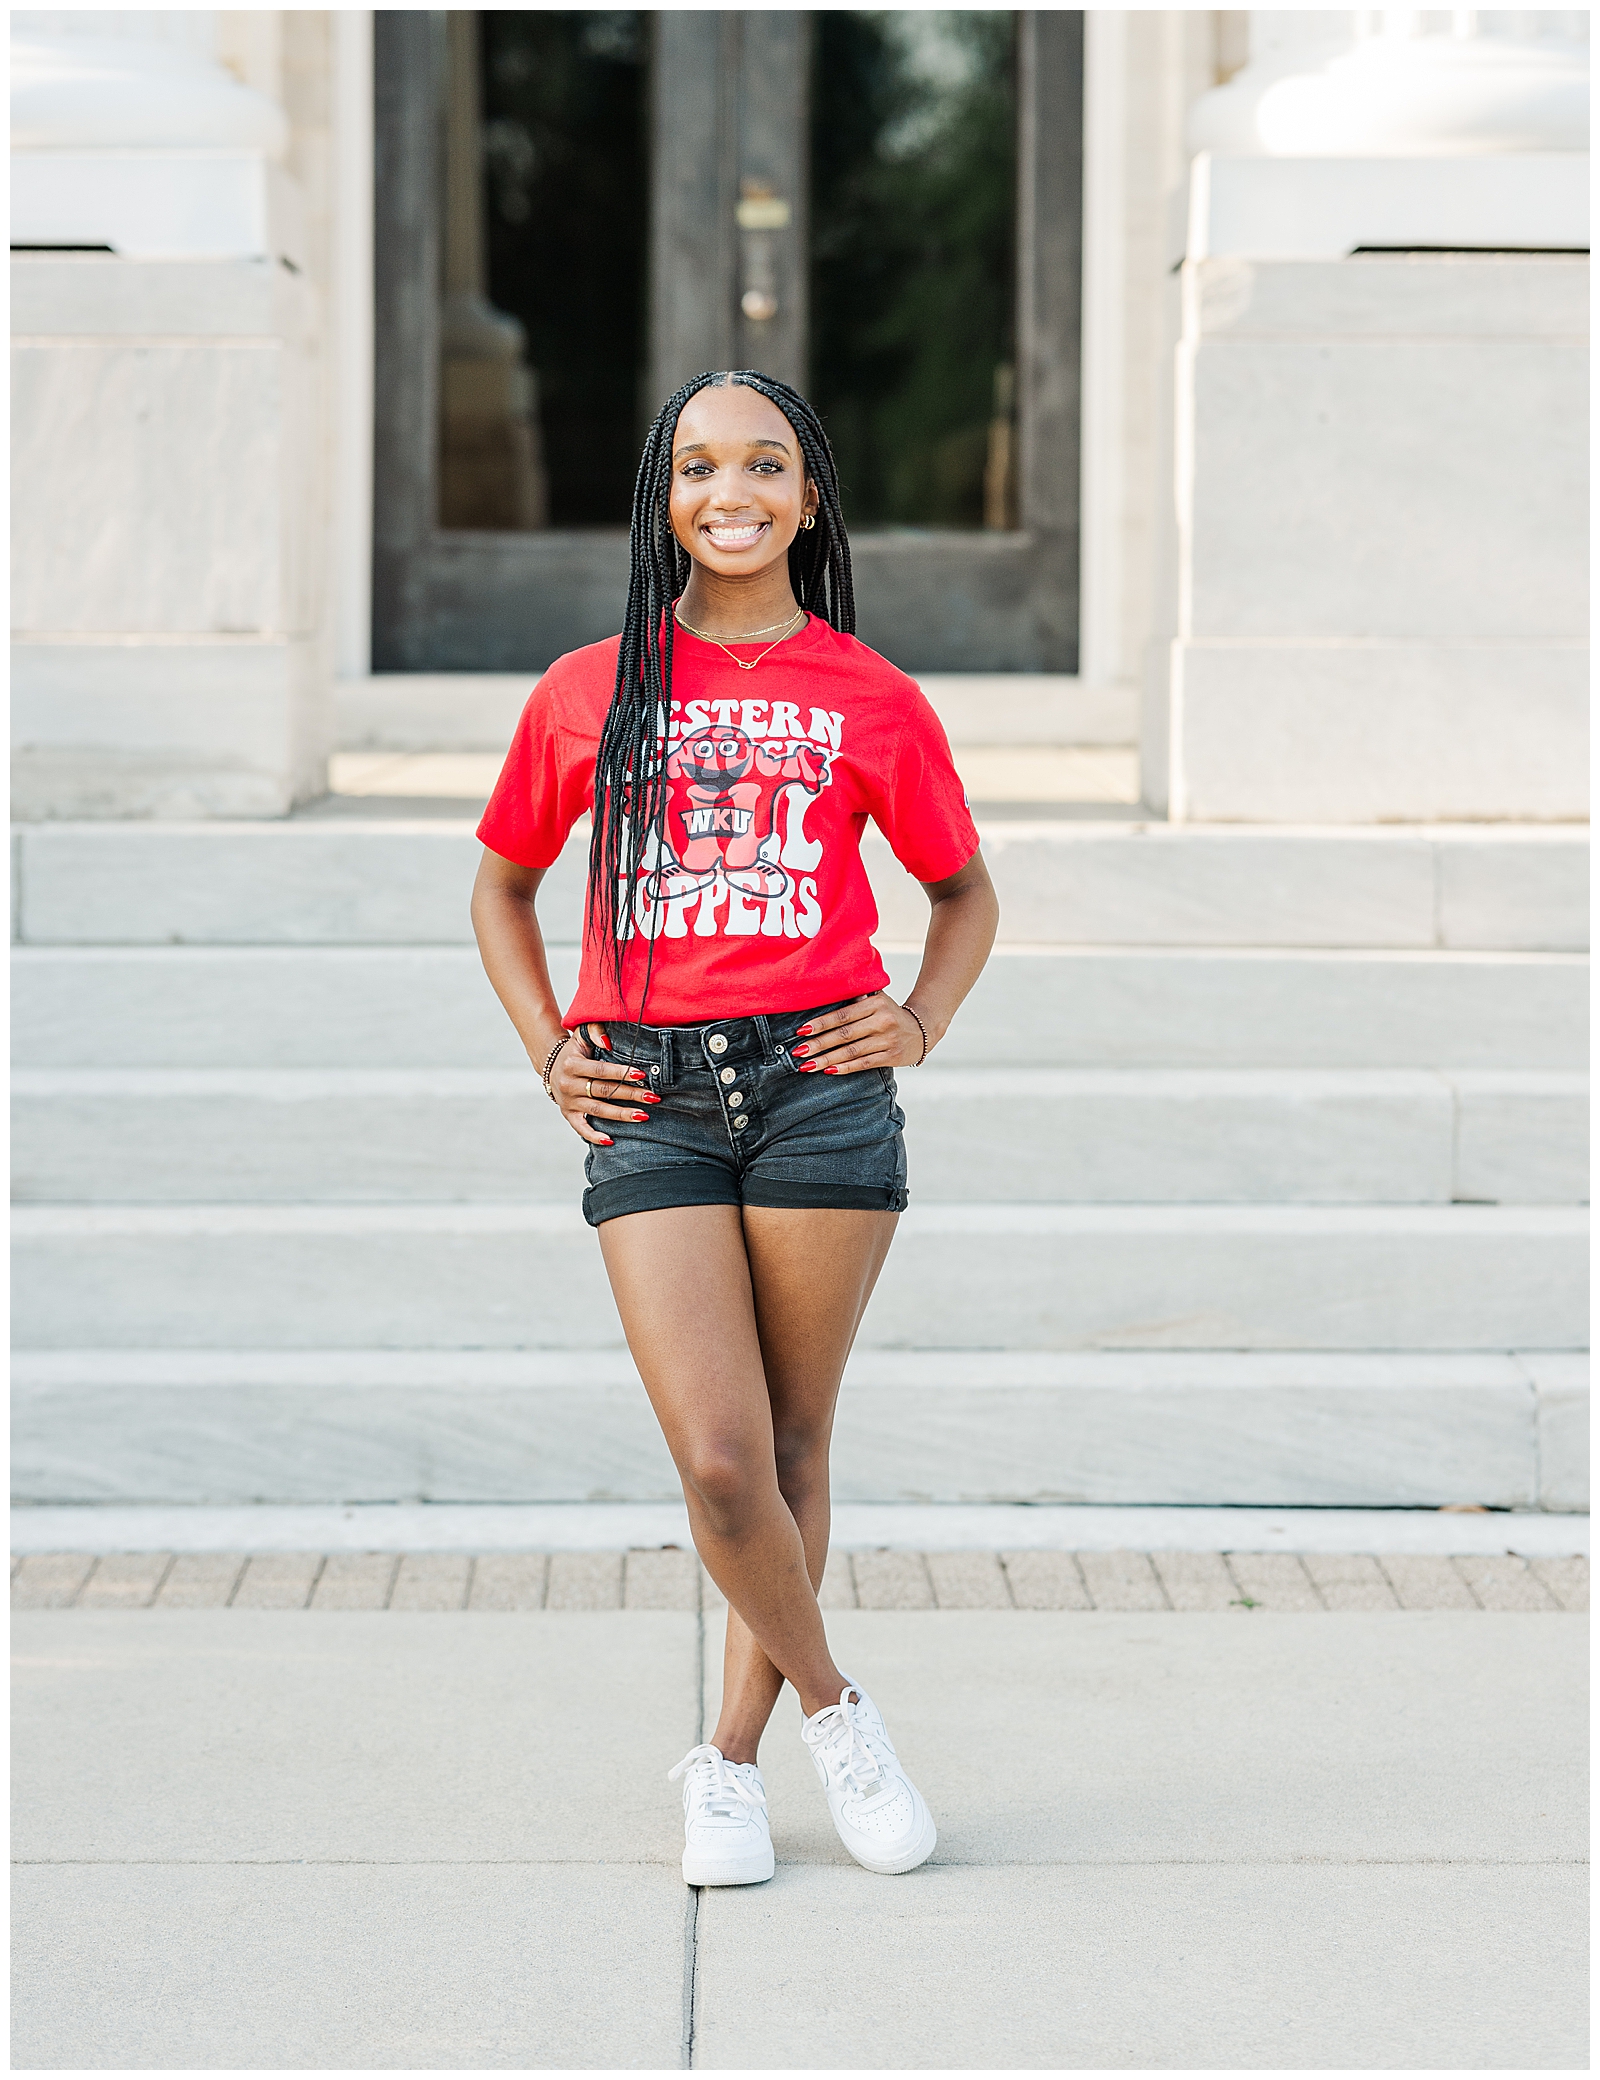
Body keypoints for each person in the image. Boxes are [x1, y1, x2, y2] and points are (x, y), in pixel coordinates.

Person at [471, 369, 999, 1885]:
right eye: (700, 466)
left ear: (808, 497)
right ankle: (839, 1707)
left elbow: (964, 892)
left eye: (765, 465)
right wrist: (547, 1048)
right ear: (665, 499)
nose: (733, 492)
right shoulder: (590, 689)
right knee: (719, 1455)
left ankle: (731, 1763)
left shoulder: (872, 697)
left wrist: (918, 1018)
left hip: (820, 1087)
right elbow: (500, 884)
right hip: (648, 1092)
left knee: (795, 1437)